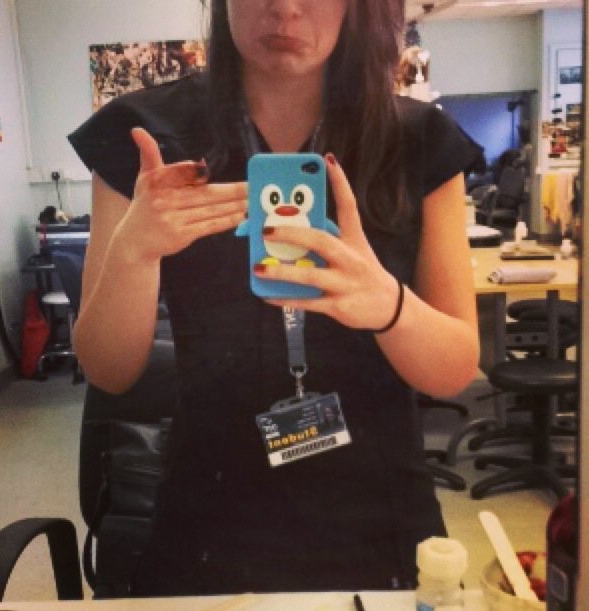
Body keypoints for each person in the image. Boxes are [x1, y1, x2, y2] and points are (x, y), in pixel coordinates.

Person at [68, 0, 481, 596]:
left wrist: (389, 305)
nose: (285, 7)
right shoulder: (145, 136)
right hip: (207, 522)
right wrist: (134, 254)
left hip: (379, 526)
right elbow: (109, 370)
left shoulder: (418, 140)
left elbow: (454, 368)